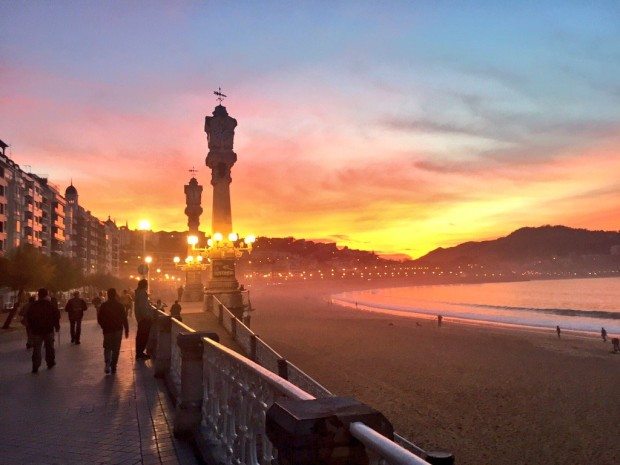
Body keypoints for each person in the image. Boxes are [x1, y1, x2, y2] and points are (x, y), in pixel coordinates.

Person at [27, 288, 60, 373]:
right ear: (46, 295)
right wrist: (57, 326)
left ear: (39, 295)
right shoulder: (50, 305)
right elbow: (56, 316)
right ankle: (50, 362)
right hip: (48, 330)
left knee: (37, 348)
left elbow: (29, 317)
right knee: (49, 347)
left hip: (36, 330)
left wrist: (31, 327)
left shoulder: (33, 305)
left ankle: (35, 366)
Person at [97, 288, 129, 374]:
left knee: (107, 347)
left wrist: (103, 326)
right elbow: (124, 319)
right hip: (118, 329)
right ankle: (114, 365)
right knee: (116, 348)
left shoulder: (104, 305)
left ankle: (107, 364)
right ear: (115, 295)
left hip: (107, 330)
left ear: (108, 294)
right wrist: (126, 330)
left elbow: (99, 318)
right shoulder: (120, 305)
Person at [134, 279, 156, 360]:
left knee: (140, 336)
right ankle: (140, 354)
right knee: (143, 337)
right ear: (145, 285)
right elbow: (142, 307)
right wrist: (148, 316)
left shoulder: (138, 293)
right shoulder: (142, 293)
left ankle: (139, 353)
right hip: (144, 319)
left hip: (140, 318)